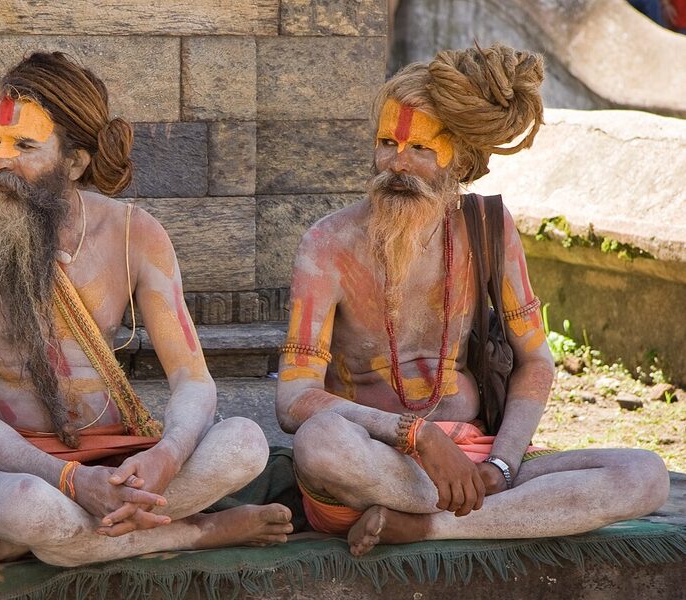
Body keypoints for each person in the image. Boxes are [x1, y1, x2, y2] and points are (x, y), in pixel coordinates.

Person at [275, 43, 669, 557]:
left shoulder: (489, 227)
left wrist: (501, 465)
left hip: (478, 463)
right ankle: (482, 516)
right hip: (375, 462)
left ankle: (425, 526)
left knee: (645, 475)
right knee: (318, 443)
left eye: (420, 148)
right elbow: (293, 399)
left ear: (459, 158)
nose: (397, 163)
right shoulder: (327, 245)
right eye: (387, 142)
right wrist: (417, 436)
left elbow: (536, 362)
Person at [0, 52, 292, 575]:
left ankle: (20, 545)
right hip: (1, 464)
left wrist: (167, 457)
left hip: (114, 454)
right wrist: (69, 480)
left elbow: (193, 381)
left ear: (75, 162)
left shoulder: (137, 235)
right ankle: (199, 532)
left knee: (245, 444)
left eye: (24, 146)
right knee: (29, 506)